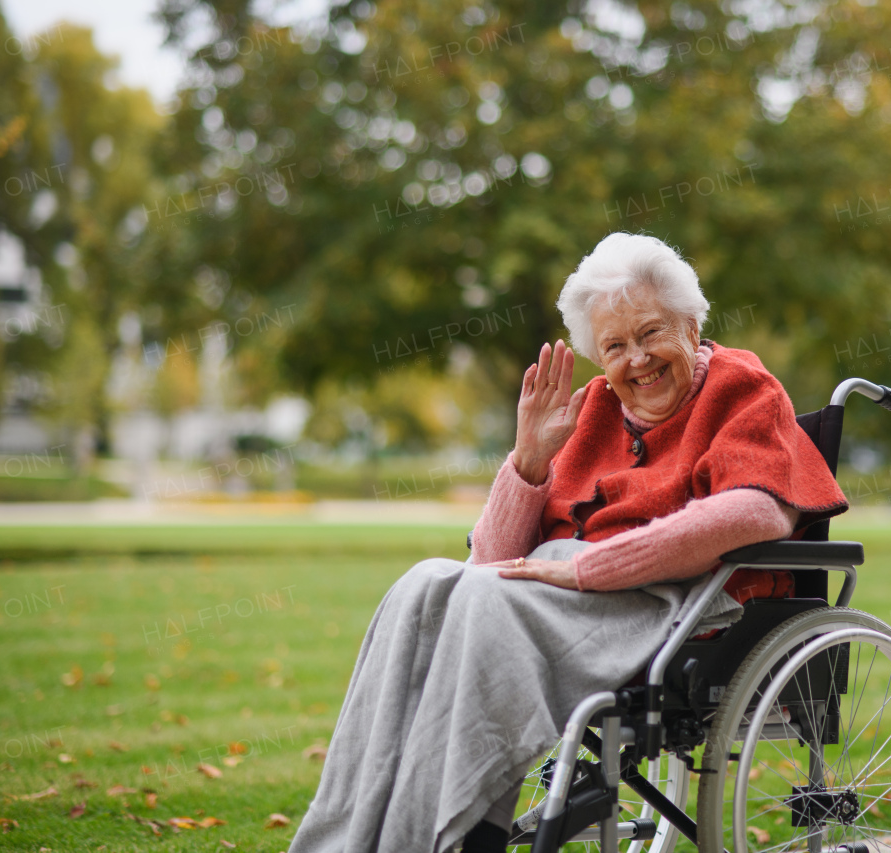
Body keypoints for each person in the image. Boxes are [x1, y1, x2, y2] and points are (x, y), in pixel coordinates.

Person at [289, 232, 847, 853]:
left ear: (692, 325)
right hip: (565, 595)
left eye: (652, 333)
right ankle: (345, 839)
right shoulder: (591, 411)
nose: (636, 359)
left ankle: (461, 837)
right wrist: (528, 461)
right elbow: (491, 562)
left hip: (678, 606)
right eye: (615, 345)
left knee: (481, 603)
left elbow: (755, 513)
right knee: (422, 586)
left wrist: (594, 568)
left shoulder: (742, 388)